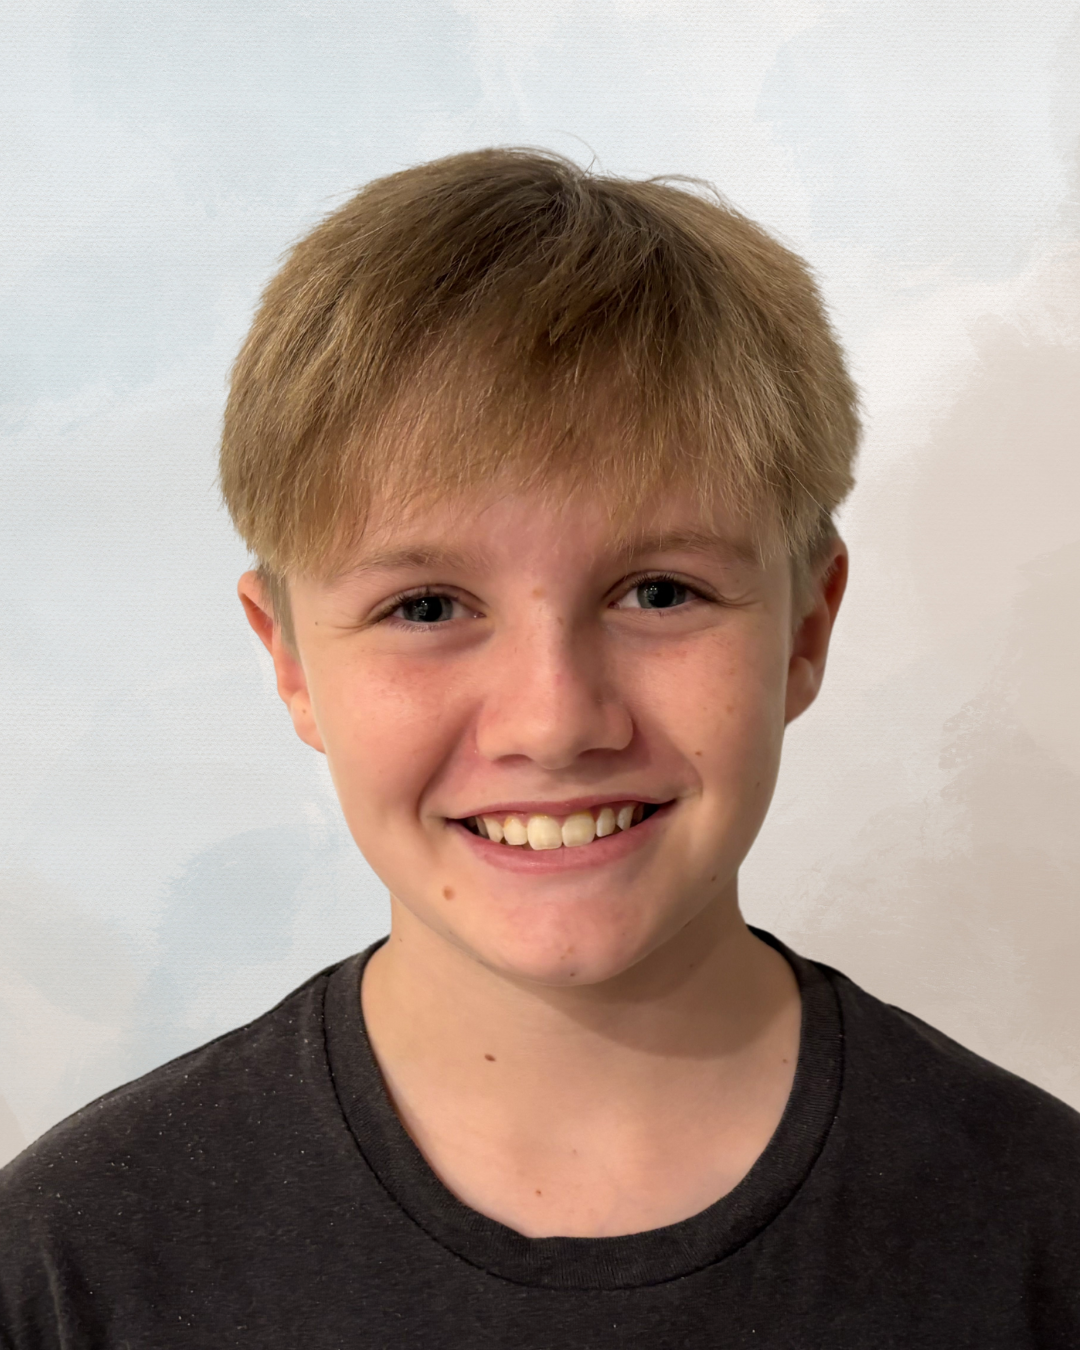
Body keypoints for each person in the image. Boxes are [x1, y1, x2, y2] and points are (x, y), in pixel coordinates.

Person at [1, 148, 1077, 1349]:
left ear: (804, 631)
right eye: (426, 608)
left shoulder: (1044, 1235)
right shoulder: (72, 1265)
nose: (554, 721)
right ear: (291, 658)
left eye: (659, 592)